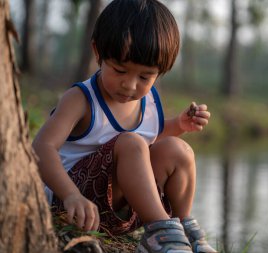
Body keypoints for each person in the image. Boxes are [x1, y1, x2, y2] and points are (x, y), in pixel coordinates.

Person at [32, 0, 217, 252]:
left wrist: (178, 125)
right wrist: (70, 195)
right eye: (120, 70)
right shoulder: (82, 99)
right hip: (77, 204)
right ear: (98, 52)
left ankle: (182, 231)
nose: (130, 85)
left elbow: (148, 141)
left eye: (144, 76)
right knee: (130, 142)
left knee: (178, 149)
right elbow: (42, 147)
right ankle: (160, 233)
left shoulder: (149, 99)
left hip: (122, 208)